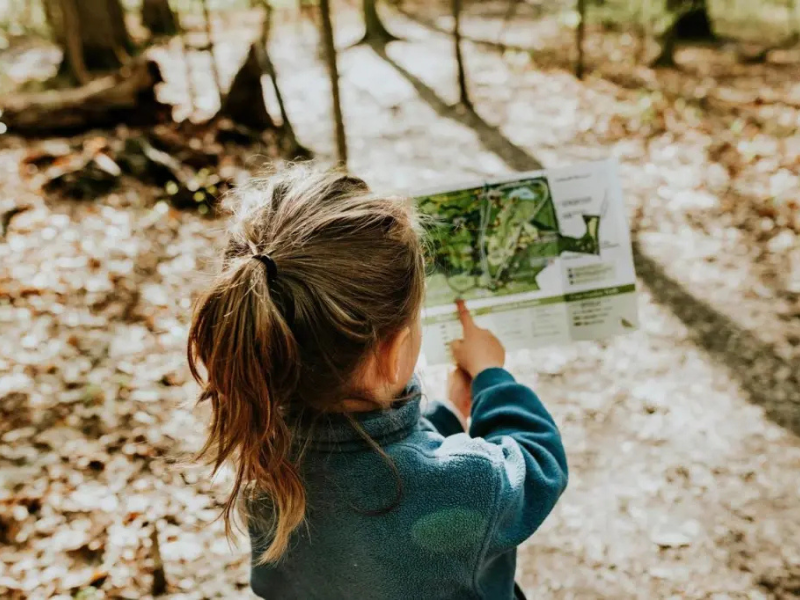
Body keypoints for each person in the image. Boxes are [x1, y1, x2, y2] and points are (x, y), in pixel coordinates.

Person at [187, 166, 568, 600]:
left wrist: (445, 416)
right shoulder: (470, 485)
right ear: (392, 354)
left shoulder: (266, 461)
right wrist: (492, 378)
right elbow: (539, 465)